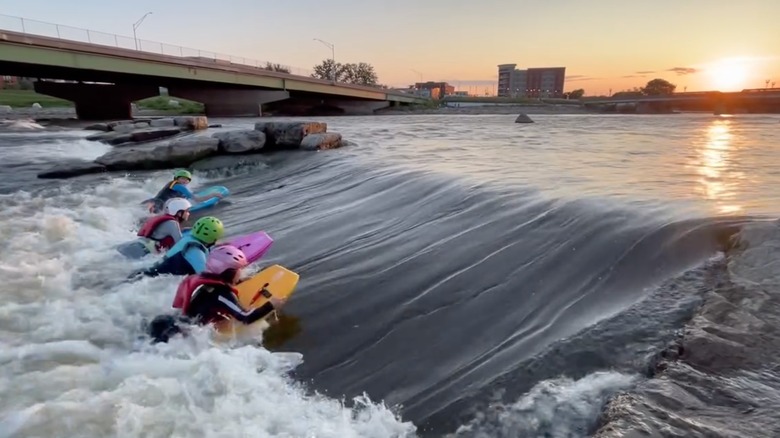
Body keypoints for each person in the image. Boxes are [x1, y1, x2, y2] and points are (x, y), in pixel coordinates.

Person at [147, 245, 288, 343]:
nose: (241, 272)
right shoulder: (222, 293)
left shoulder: (204, 279)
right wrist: (271, 305)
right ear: (229, 272)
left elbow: (210, 297)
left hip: (168, 321)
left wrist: (236, 283)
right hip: (176, 335)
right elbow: (245, 317)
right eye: (239, 269)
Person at [140, 216, 224, 277]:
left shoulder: (188, 237)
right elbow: (206, 276)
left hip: (147, 273)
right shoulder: (195, 251)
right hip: (150, 280)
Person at [117, 198, 192, 259]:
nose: (188, 213)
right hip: (141, 251)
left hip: (136, 244)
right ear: (179, 213)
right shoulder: (173, 223)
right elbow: (180, 244)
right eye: (187, 211)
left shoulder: (165, 219)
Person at [145, 169, 222, 213]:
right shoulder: (179, 186)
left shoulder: (172, 184)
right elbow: (197, 199)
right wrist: (213, 195)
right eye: (182, 178)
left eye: (186, 179)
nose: (184, 181)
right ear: (177, 179)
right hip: (157, 205)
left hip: (153, 202)